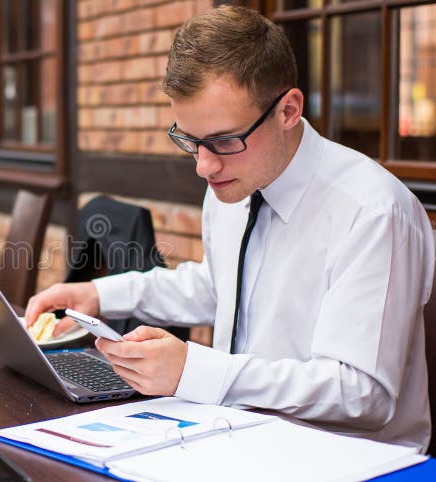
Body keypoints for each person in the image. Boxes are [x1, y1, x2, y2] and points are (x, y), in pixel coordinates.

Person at [25, 5, 434, 452]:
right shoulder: (232, 180)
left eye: (222, 141)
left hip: (348, 460)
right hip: (232, 442)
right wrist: (101, 295)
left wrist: (194, 372)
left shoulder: (374, 212)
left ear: (288, 110)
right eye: (190, 141)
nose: (204, 165)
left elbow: (363, 393)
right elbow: (220, 287)